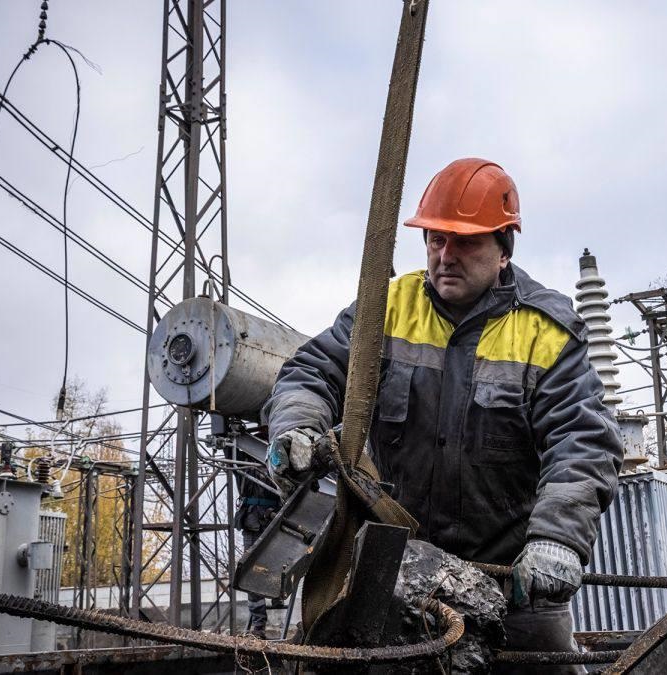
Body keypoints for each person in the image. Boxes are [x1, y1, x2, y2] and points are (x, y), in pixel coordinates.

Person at [263, 157, 623, 672]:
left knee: (543, 661)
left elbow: (582, 439)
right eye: (436, 239)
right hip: (396, 564)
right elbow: (312, 371)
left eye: (465, 241)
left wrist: (557, 539)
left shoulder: (546, 331)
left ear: (503, 250)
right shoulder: (386, 308)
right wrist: (297, 425)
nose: (445, 256)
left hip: (511, 574)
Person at [233, 461, 281, 639]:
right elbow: (232, 454)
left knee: (277, 567)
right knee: (251, 573)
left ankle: (277, 594)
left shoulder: (278, 460)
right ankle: (259, 625)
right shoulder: (244, 464)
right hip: (253, 522)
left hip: (275, 523)